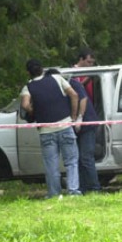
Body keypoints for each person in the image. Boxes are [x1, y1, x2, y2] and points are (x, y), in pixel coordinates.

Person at [20, 59, 82, 198]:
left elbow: (24, 105)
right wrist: (73, 116)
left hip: (46, 130)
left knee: (51, 165)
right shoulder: (56, 78)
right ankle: (73, 191)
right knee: (71, 162)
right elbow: (74, 95)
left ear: (28, 73)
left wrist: (34, 111)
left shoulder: (28, 87)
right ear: (42, 69)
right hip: (65, 125)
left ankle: (54, 193)